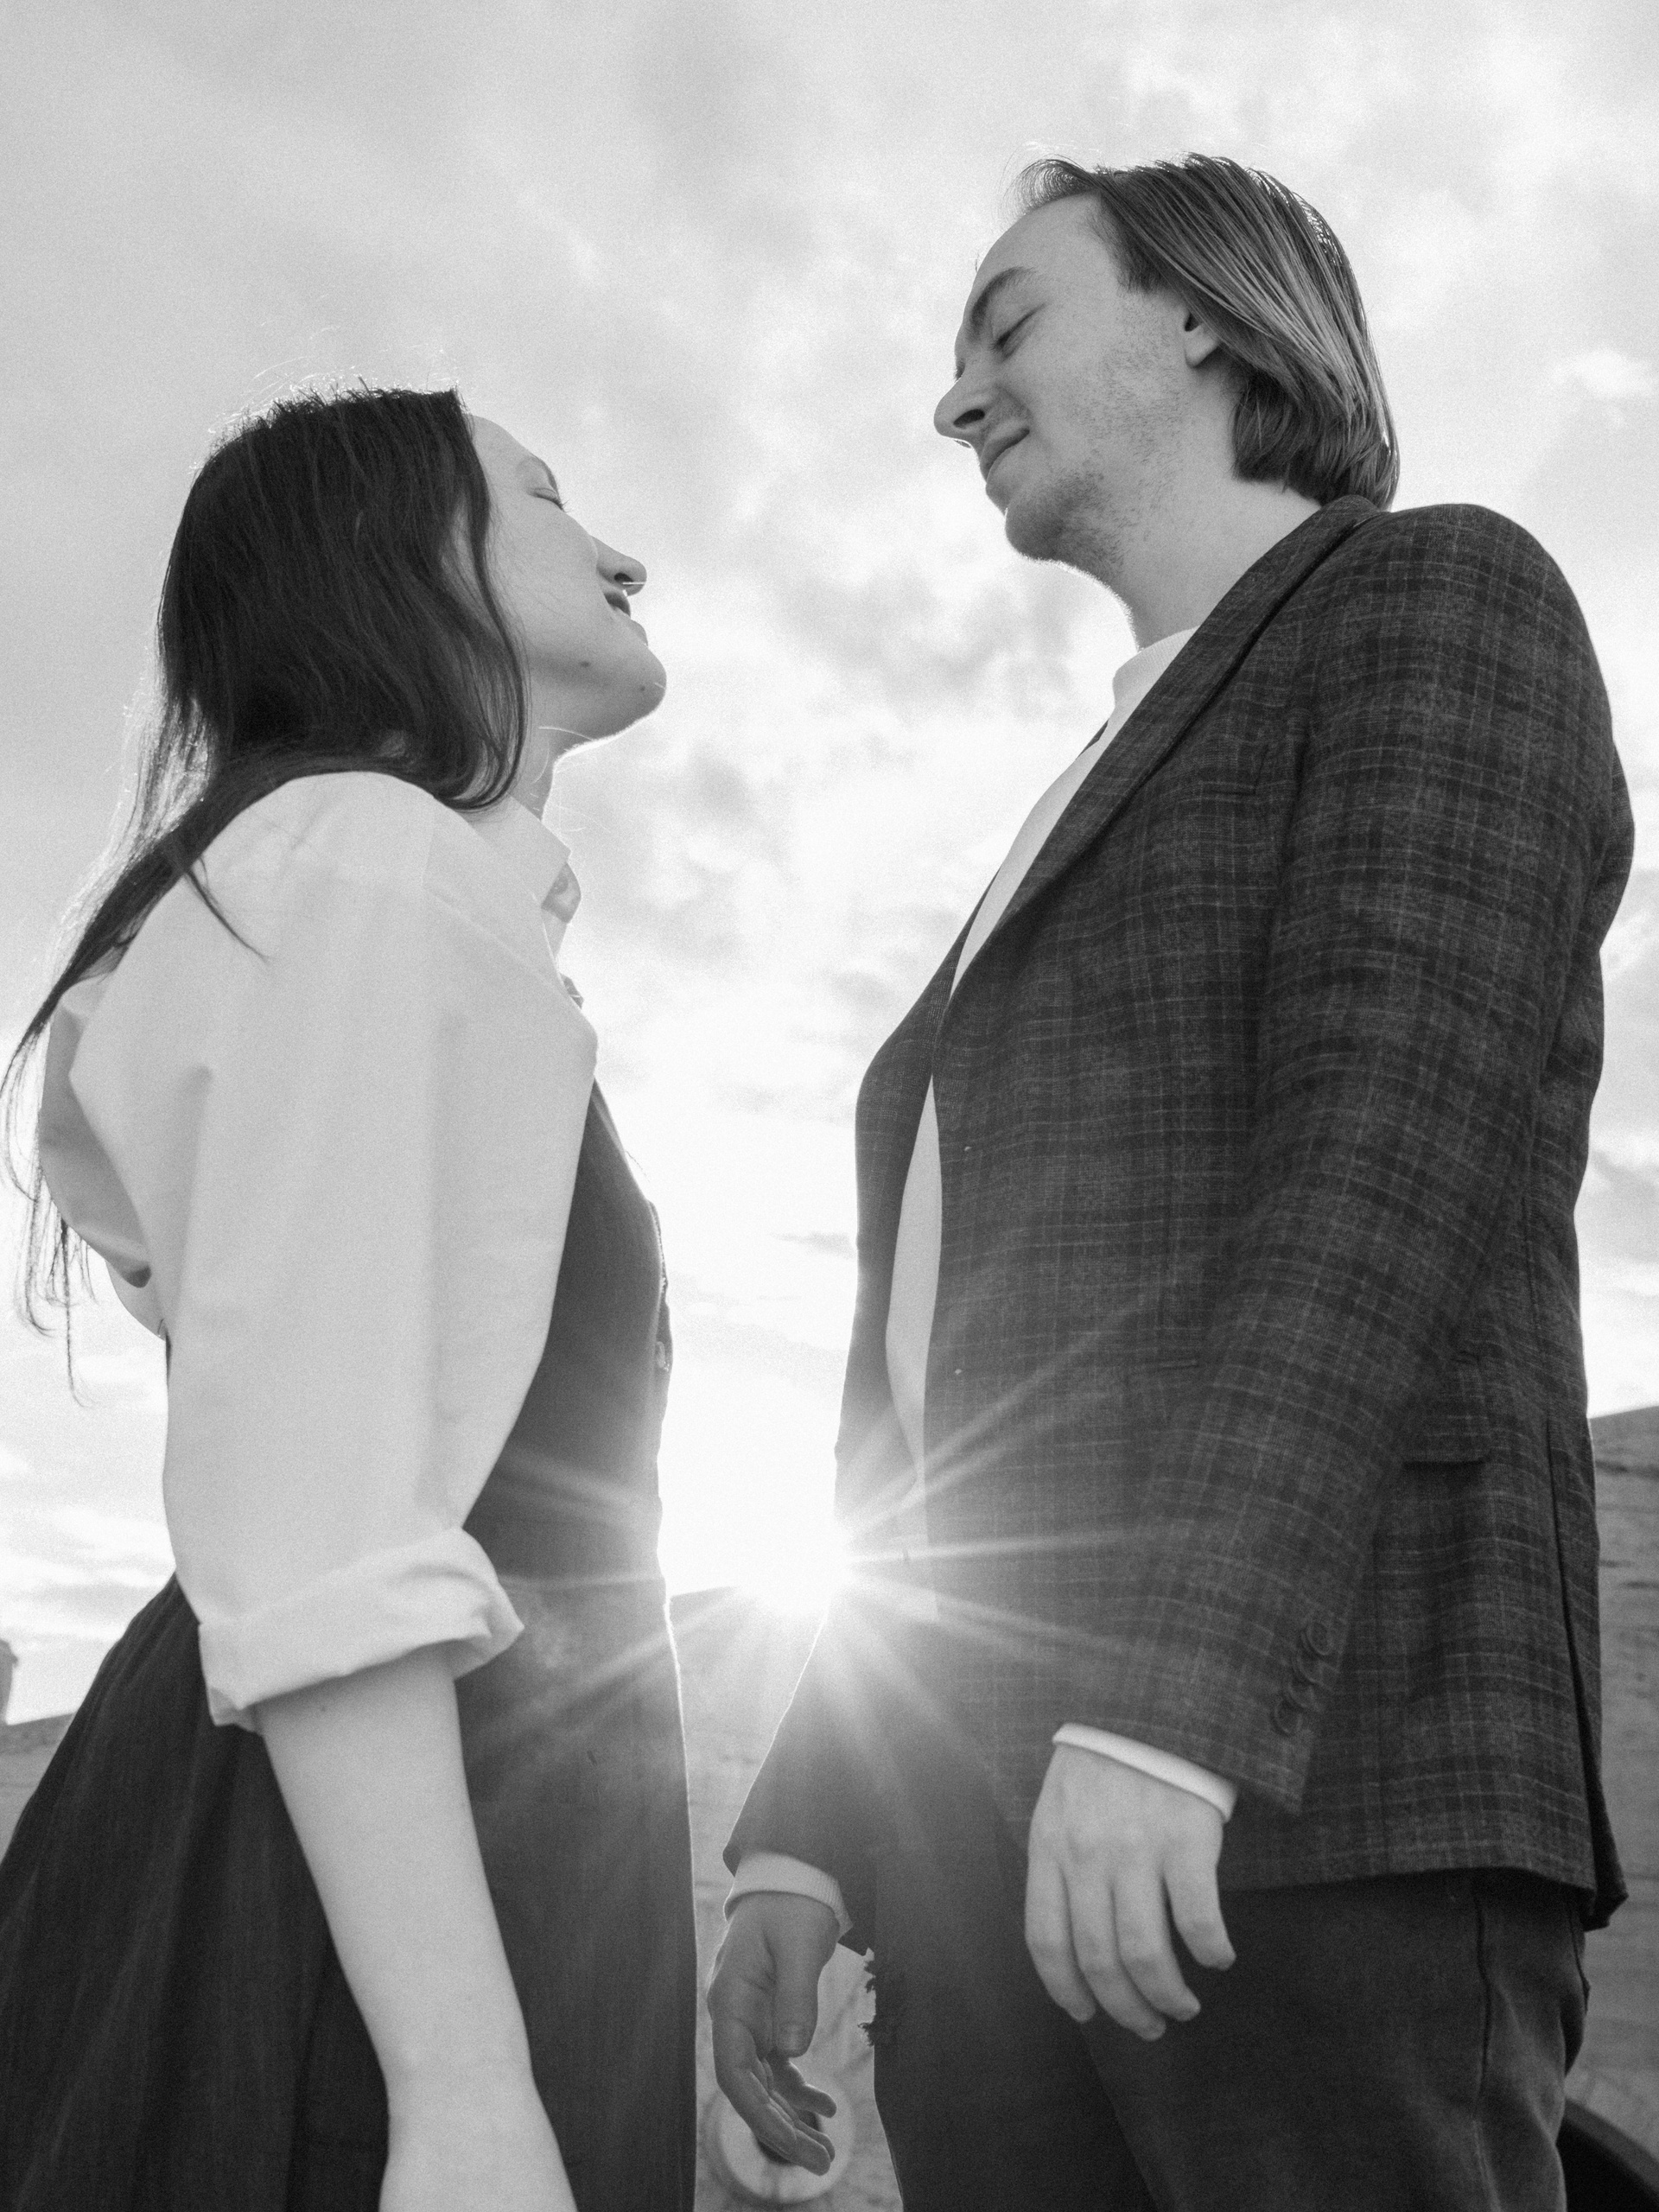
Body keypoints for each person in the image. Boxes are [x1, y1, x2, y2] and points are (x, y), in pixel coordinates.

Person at [709, 155, 1631, 2212]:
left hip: (1313, 1796)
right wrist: (809, 1828)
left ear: (1209, 311)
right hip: (986, 1848)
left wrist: (1172, 1713)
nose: (957, 396)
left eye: (1009, 320)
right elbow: (932, 1386)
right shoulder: (1064, 806)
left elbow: (1381, 1163)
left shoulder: (1437, 596)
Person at [0, 386, 696, 2212]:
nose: (621, 552)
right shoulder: (359, 862)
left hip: (445, 1820)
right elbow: (325, 1509)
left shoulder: (363, 881)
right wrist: (462, 2092)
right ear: (406, 556)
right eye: (544, 496)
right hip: (381, 1870)